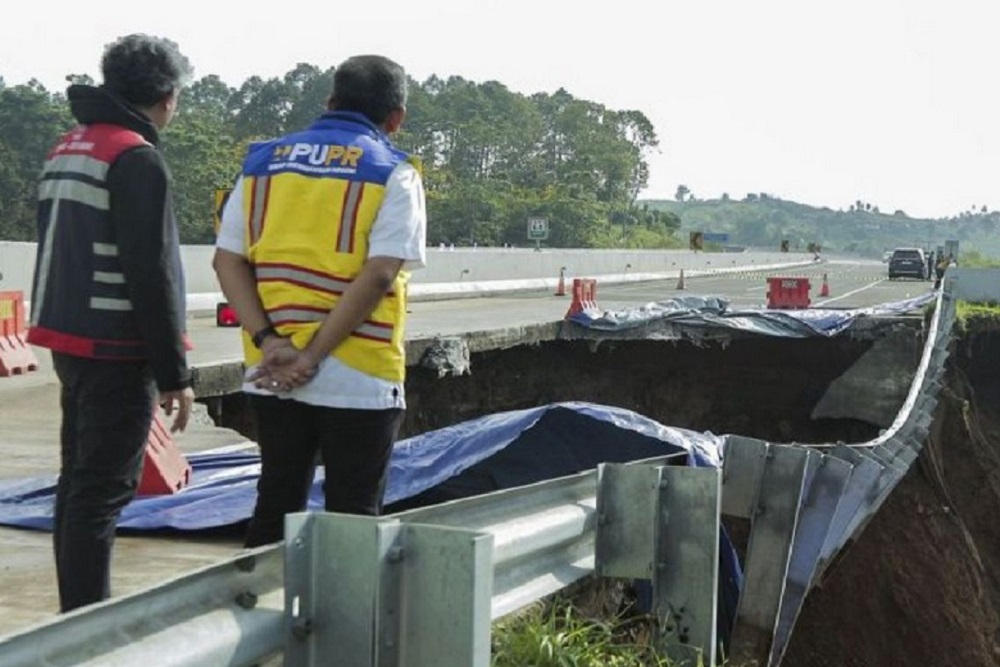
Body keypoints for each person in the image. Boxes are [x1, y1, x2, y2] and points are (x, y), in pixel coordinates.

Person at [213, 55, 427, 548]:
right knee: (353, 520)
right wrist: (311, 357)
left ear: (329, 102)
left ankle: (258, 618)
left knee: (274, 508)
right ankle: (343, 626)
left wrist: (271, 342)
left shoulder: (263, 164)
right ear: (395, 118)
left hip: (272, 371)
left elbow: (228, 262)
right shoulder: (394, 173)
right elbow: (378, 275)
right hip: (359, 373)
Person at [26, 34, 195, 612]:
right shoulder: (135, 157)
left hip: (68, 338)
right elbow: (152, 274)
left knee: (79, 483)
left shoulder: (71, 145)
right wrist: (175, 371)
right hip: (115, 346)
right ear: (167, 97)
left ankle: (77, 608)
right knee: (102, 490)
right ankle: (85, 621)